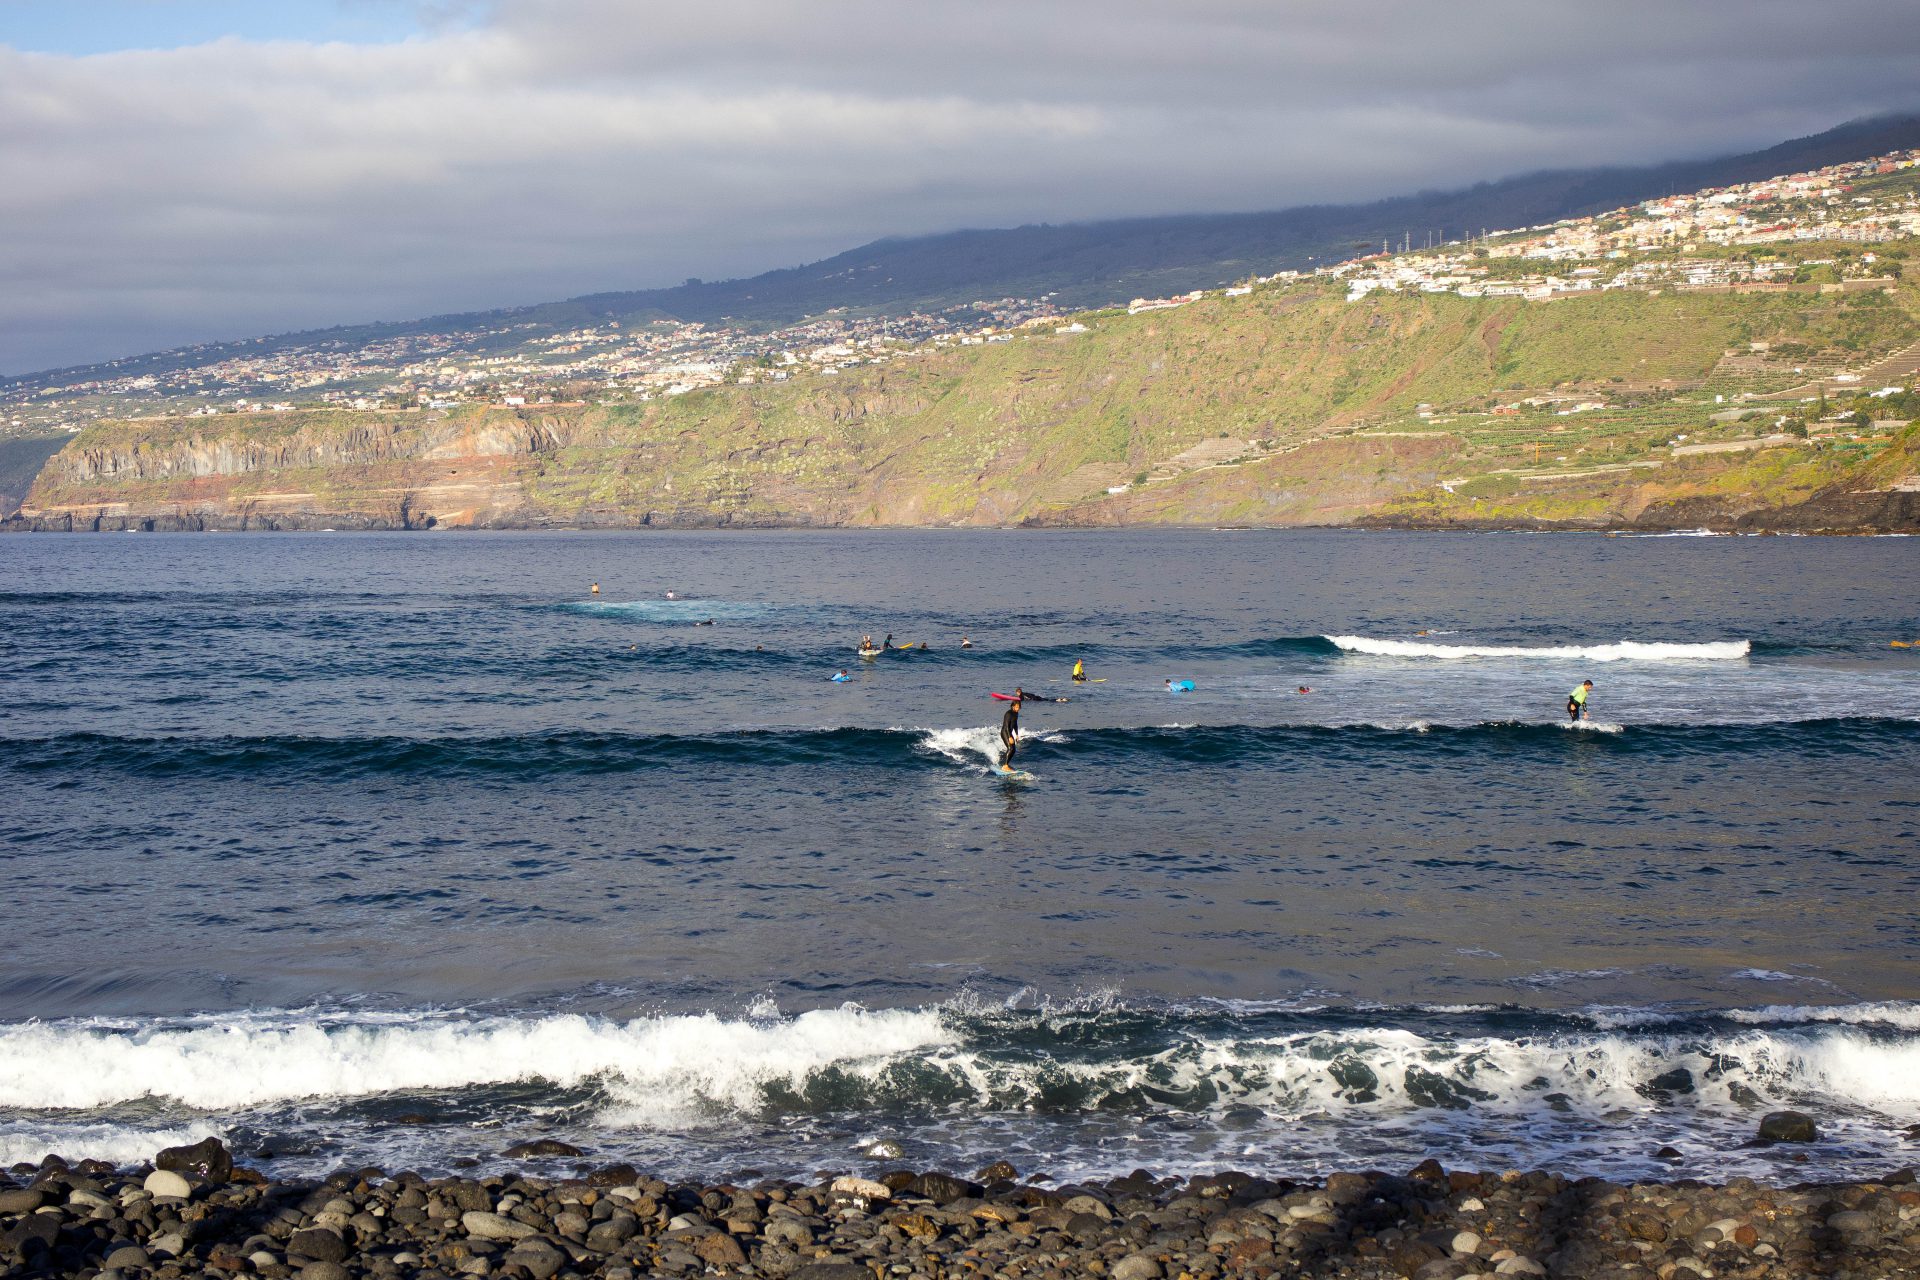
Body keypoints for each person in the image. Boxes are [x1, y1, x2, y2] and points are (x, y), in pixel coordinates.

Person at [997, 686, 1065, 772]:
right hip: (1005, 733)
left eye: (1019, 707)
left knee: (1013, 750)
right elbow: (1006, 727)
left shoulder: (1016, 713)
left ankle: (1004, 762)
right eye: (1017, 707)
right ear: (1013, 706)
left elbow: (1015, 725)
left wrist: (1017, 735)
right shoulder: (1009, 713)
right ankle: (1005, 765)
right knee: (1011, 749)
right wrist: (1010, 736)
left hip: (1009, 733)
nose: (1018, 708)